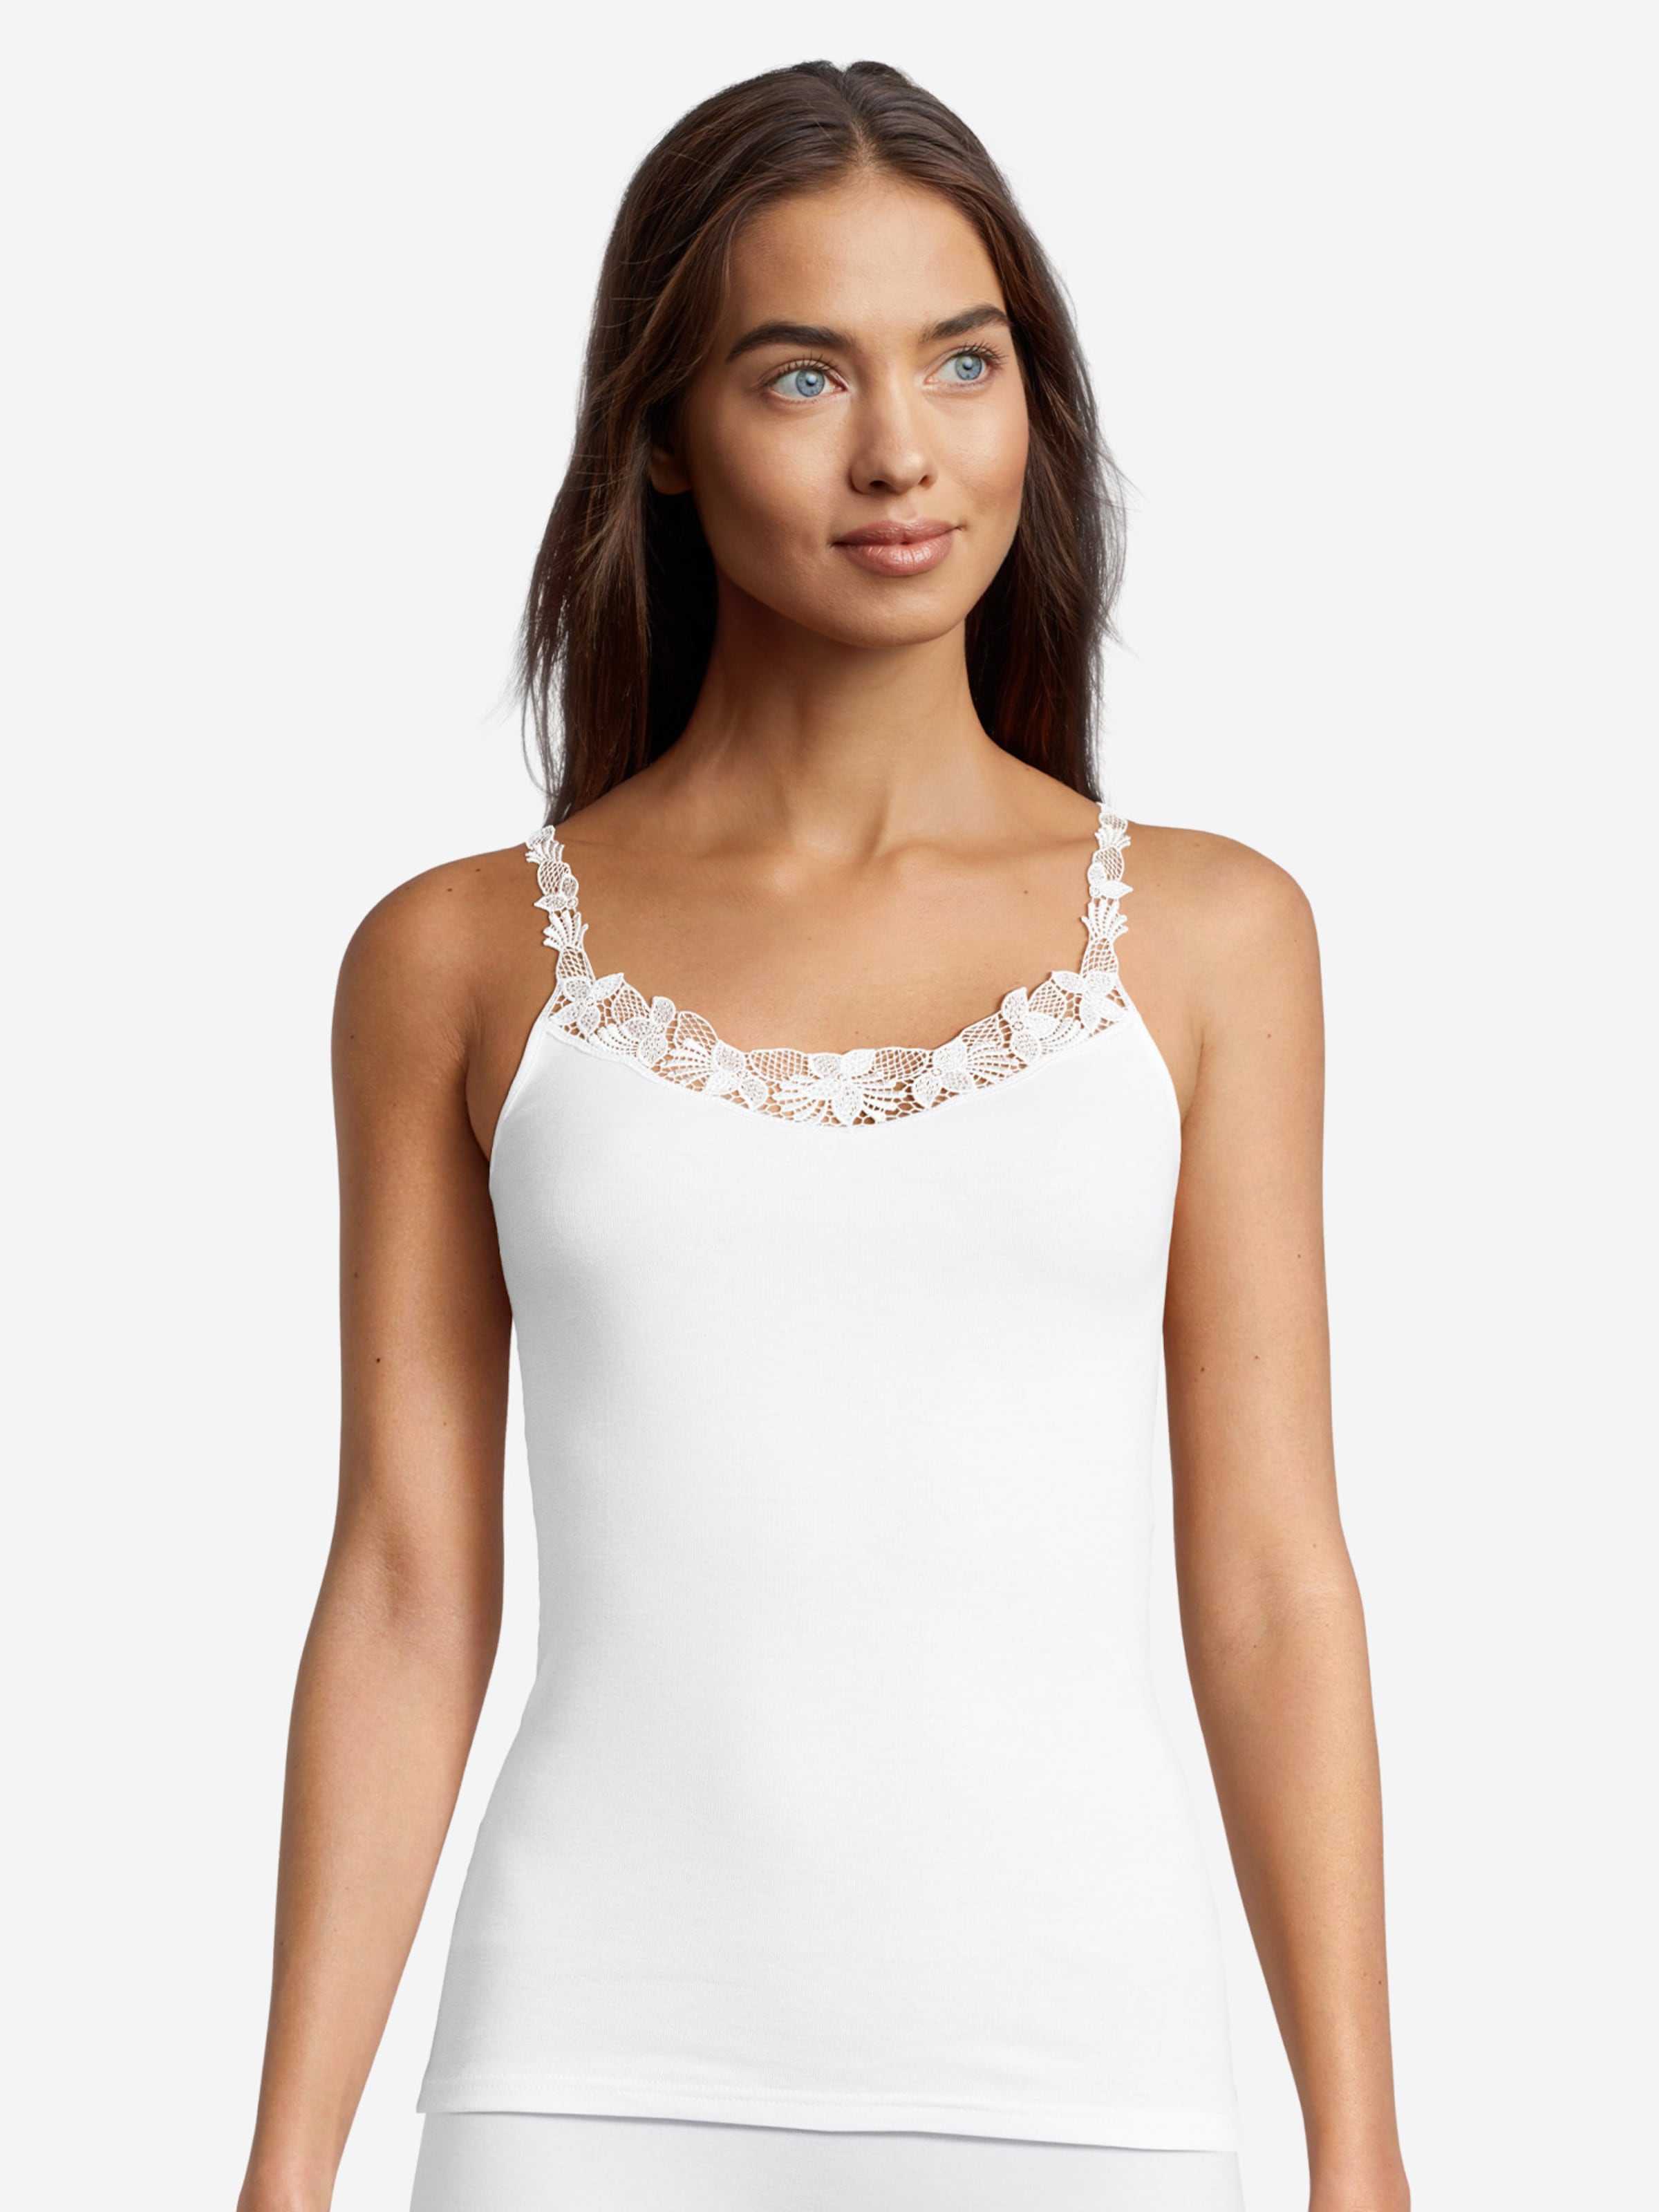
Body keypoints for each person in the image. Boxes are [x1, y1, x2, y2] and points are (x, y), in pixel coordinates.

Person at [235, 59, 1410, 2212]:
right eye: (802, 374)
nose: (899, 451)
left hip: (1081, 2087)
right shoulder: (456, 956)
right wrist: (281, 2169)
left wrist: (1366, 2151)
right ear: (663, 440)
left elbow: (1268, 1577)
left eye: (963, 361)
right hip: (579, 2078)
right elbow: (405, 1589)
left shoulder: (1215, 940)